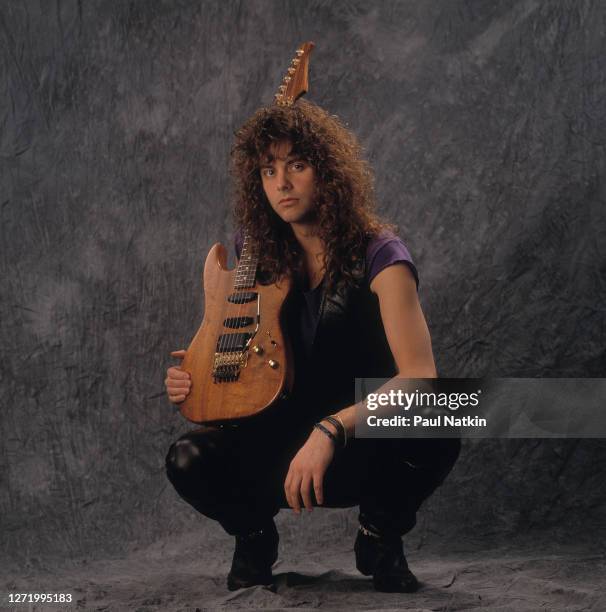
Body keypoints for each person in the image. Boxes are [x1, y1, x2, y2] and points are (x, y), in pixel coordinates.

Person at [164, 99, 460, 592]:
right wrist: (197, 379)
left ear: (328, 172)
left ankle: (379, 534)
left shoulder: (380, 254)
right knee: (188, 458)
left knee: (445, 411)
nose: (281, 183)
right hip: (276, 443)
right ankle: (255, 536)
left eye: (296, 165)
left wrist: (331, 430)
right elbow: (237, 362)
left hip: (355, 447)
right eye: (268, 169)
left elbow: (420, 378)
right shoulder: (248, 253)